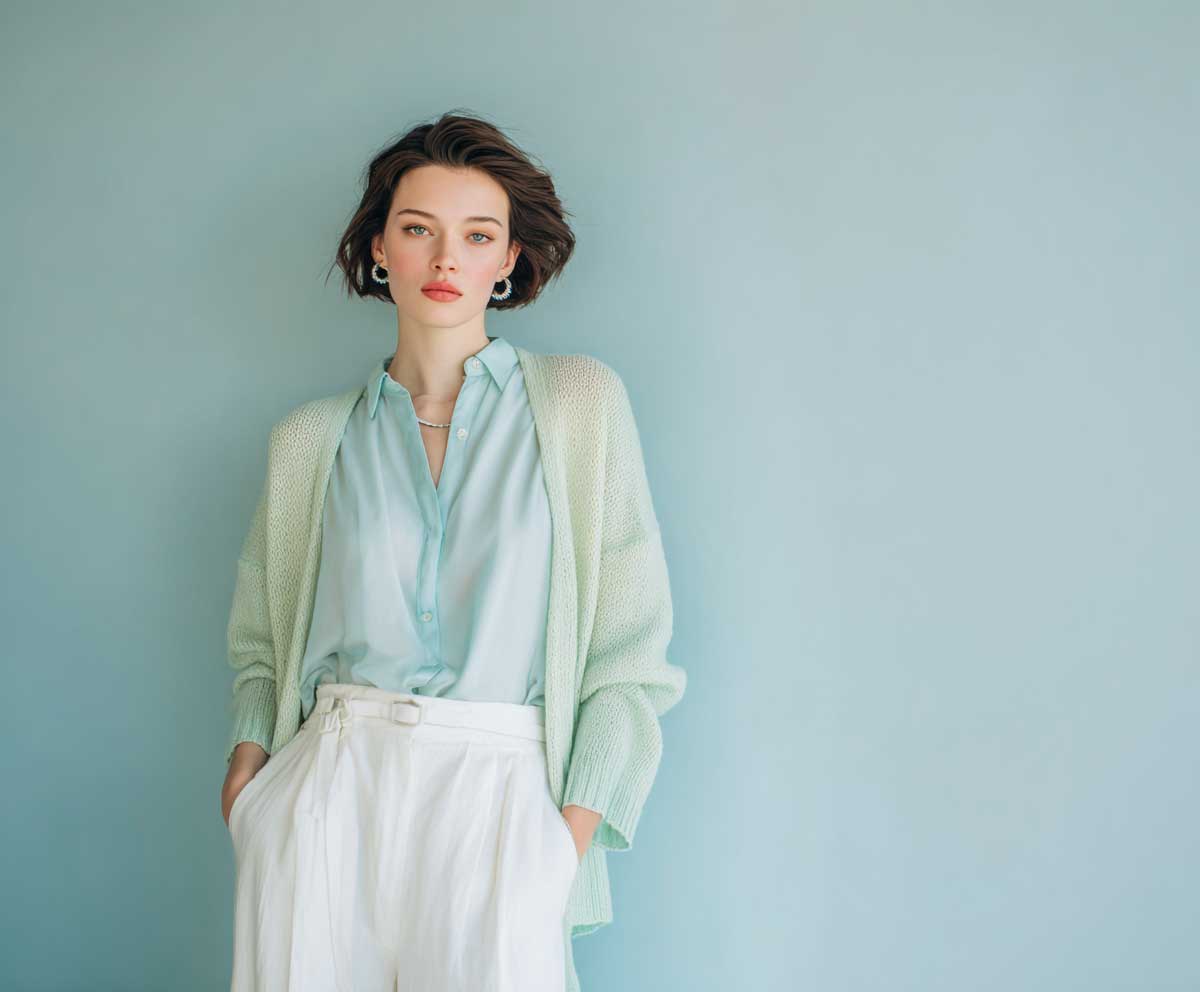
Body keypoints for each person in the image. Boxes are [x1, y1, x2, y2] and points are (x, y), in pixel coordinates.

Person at [219, 110, 687, 992]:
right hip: (329, 791)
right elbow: (260, 642)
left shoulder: (579, 405)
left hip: (504, 795)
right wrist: (250, 785)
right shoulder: (310, 440)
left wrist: (566, 836)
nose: (445, 261)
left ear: (507, 260)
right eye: (417, 230)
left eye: (477, 236)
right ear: (379, 249)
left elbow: (631, 655)